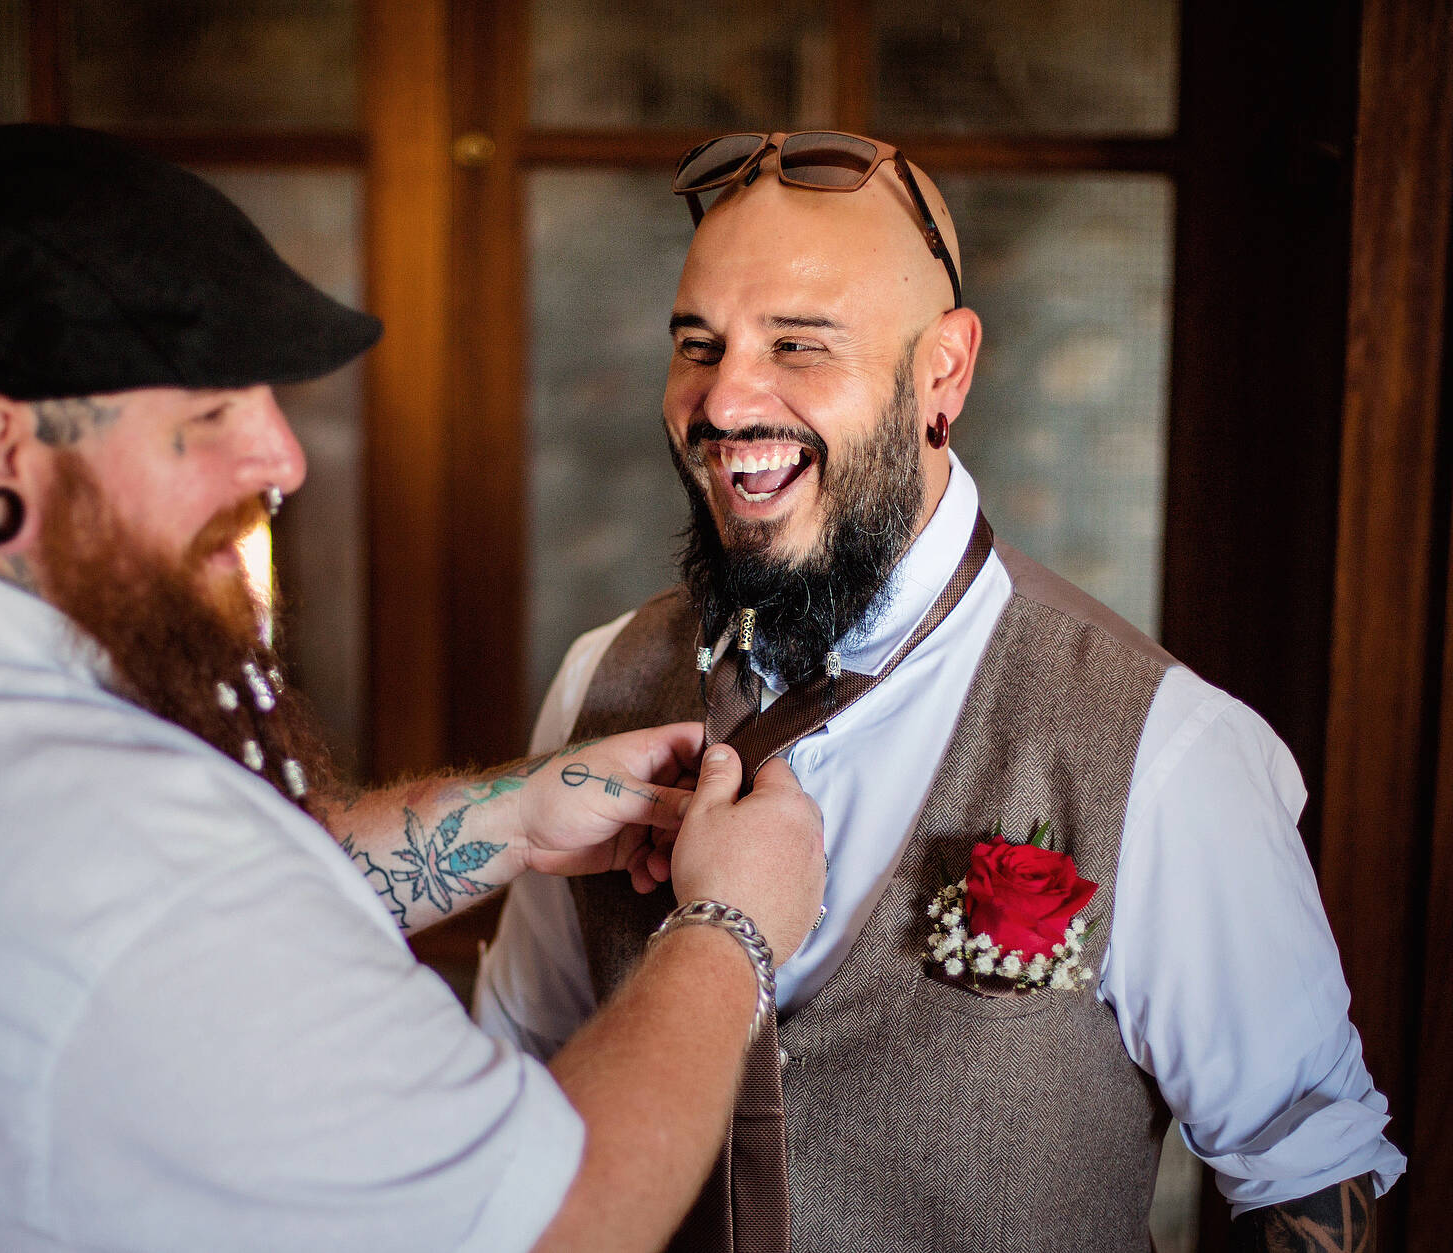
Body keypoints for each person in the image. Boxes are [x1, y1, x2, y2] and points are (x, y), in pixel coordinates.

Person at [0, 123, 828, 1252]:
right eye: (210, 416)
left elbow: (188, 936)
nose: (281, 459)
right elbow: (560, 1218)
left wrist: (509, 815)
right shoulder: (113, 856)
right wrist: (730, 924)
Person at [474, 130, 1406, 1253]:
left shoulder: (1161, 747)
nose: (721, 402)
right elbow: (515, 1095)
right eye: (696, 344)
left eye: (798, 344)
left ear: (942, 373)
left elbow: (1306, 1169)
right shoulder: (598, 684)